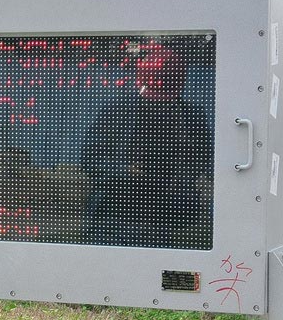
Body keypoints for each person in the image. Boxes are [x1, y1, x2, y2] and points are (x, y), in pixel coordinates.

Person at [81, 43, 213, 249]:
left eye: (164, 99)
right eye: (152, 97)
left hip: (162, 215)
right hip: (113, 213)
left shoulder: (192, 117)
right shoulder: (115, 112)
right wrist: (124, 170)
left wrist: (191, 183)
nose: (158, 104)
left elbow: (204, 161)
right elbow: (89, 159)